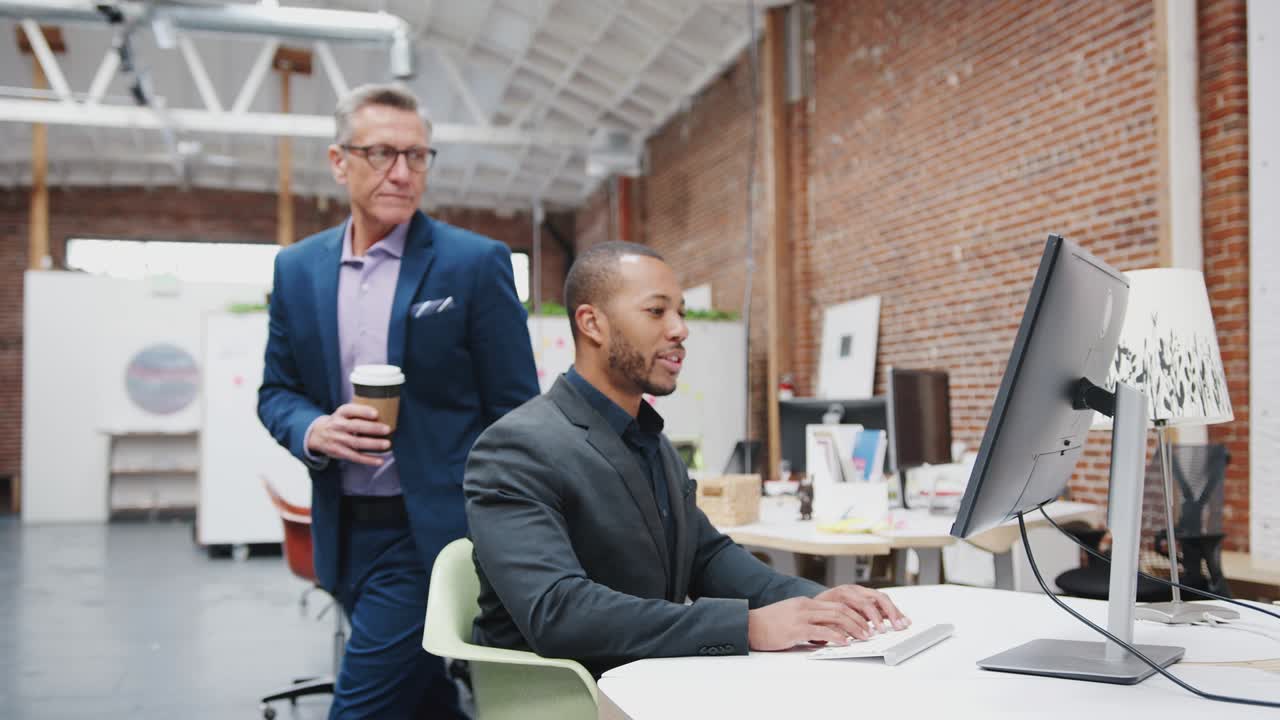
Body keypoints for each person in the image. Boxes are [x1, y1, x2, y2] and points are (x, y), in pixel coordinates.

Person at [464, 241, 908, 678]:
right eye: (656, 311)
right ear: (591, 322)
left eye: (680, 311)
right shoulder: (515, 448)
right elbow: (558, 613)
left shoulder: (649, 441)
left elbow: (706, 557)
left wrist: (818, 602)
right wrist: (747, 626)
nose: (680, 329)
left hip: (653, 678)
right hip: (568, 696)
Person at [258, 83, 539, 718]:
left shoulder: (473, 263)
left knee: (359, 707)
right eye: (383, 153)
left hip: (431, 535)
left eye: (417, 156)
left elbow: (517, 412)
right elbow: (277, 391)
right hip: (343, 527)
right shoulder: (297, 270)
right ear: (339, 161)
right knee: (425, 696)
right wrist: (313, 429)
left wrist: (499, 524)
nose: (403, 173)